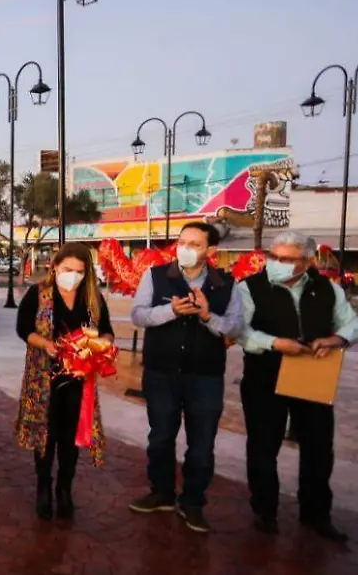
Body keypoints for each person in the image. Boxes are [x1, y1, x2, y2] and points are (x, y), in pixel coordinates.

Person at [237, 231, 358, 542]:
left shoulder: (327, 289)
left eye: (287, 259)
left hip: (312, 374)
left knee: (319, 448)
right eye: (274, 257)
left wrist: (336, 340)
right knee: (263, 447)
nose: (277, 264)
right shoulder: (249, 287)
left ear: (307, 262)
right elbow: (240, 330)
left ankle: (316, 514)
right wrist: (274, 343)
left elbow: (354, 324)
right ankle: (265, 512)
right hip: (264, 377)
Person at [128, 221, 243, 533]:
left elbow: (234, 328)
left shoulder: (227, 285)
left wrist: (207, 316)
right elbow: (138, 314)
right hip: (161, 373)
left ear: (210, 251)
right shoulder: (156, 276)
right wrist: (172, 312)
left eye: (194, 244)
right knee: (161, 436)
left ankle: (192, 502)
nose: (186, 249)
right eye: (182, 242)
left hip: (204, 376)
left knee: (202, 444)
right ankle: (161, 493)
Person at [14, 242, 114, 521]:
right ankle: (43, 488)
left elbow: (107, 332)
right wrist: (44, 344)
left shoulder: (92, 298)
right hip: (43, 379)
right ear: (55, 266)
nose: (73, 276)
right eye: (67, 269)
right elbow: (23, 328)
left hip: (78, 382)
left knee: (71, 440)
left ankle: (64, 490)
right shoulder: (39, 293)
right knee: (45, 437)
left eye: (79, 271)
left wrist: (98, 345)